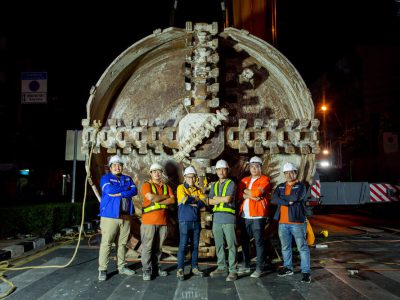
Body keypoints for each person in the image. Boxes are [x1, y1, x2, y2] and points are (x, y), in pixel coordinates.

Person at [98, 155, 138, 281]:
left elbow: (134, 191)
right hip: (110, 217)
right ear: (110, 167)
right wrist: (126, 189)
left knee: (122, 244)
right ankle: (102, 270)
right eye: (114, 165)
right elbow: (109, 189)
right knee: (107, 244)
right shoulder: (106, 178)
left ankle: (121, 267)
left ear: (122, 167)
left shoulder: (127, 178)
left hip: (125, 216)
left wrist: (120, 192)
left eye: (119, 165)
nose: (117, 167)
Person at [272, 162, 311, 284]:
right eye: (286, 172)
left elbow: (295, 198)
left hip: (297, 223)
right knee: (285, 247)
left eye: (291, 172)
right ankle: (288, 268)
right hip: (282, 223)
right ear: (284, 174)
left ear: (295, 173)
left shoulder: (301, 186)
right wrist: (286, 201)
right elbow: (274, 199)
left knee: (302, 247)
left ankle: (306, 273)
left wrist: (282, 199)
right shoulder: (280, 186)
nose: (289, 174)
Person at [140, 163, 175, 281]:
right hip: (149, 222)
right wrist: (165, 197)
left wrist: (160, 201)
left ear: (162, 173)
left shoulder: (166, 187)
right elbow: (151, 198)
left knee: (158, 248)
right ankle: (146, 270)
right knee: (147, 247)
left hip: (163, 222)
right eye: (154, 171)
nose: (157, 173)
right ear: (151, 173)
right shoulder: (146, 185)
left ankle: (156, 268)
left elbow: (172, 200)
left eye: (159, 171)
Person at [237, 156, 271, 278]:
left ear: (261, 168)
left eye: (256, 166)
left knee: (259, 242)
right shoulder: (244, 180)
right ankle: (246, 265)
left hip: (258, 215)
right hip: (245, 216)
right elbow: (240, 194)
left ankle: (259, 268)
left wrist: (248, 193)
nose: (254, 169)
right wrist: (252, 196)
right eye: (252, 166)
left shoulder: (265, 179)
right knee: (245, 242)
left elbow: (258, 193)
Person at [176, 166, 207, 281]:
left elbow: (203, 202)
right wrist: (195, 200)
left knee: (195, 246)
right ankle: (180, 269)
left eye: (193, 177)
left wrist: (194, 201)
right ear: (185, 178)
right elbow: (184, 200)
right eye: (189, 177)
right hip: (184, 221)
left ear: (195, 178)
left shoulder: (198, 189)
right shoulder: (180, 188)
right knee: (183, 245)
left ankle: (194, 267)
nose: (191, 179)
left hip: (196, 221)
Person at [208, 159, 238, 281]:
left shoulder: (231, 183)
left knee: (231, 245)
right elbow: (209, 201)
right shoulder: (214, 185)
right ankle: (221, 267)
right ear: (216, 171)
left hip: (229, 218)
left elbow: (228, 199)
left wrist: (216, 198)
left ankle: (233, 270)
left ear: (227, 170)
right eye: (218, 169)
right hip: (217, 219)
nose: (221, 171)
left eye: (223, 169)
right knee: (219, 245)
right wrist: (220, 199)